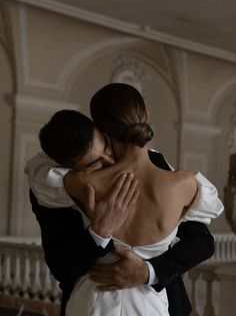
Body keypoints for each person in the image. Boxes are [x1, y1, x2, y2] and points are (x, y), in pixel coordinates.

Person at [25, 85, 223, 316]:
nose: (109, 161)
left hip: (159, 301)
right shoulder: (58, 182)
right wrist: (98, 232)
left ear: (103, 129)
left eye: (107, 148)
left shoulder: (70, 183)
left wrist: (149, 271)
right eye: (93, 164)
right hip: (92, 301)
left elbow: (201, 242)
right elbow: (61, 265)